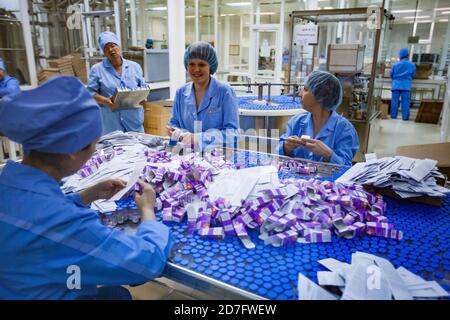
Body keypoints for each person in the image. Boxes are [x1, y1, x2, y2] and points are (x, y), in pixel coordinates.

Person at [0, 76, 173, 300]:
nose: (95, 151)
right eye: (94, 144)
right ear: (72, 150)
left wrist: (85, 195)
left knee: (115, 294)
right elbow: (146, 263)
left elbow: (34, 211)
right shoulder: (66, 224)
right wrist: (148, 212)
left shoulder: (8, 184)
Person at [276, 70, 359, 166]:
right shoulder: (296, 122)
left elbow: (346, 169)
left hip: (327, 181)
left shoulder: (345, 130)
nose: (300, 94)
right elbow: (276, 156)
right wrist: (285, 147)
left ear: (321, 96)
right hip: (295, 180)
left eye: (306, 90)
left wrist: (328, 154)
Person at [168, 41, 239, 150]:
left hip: (219, 158)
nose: (196, 69)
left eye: (201, 64)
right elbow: (174, 123)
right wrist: (176, 133)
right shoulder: (181, 93)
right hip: (186, 156)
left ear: (211, 67)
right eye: (191, 64)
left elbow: (232, 133)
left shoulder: (225, 92)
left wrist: (199, 138)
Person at [87, 31, 146, 134]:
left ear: (118, 46)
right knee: (115, 149)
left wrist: (142, 98)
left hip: (134, 121)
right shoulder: (97, 69)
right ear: (104, 52)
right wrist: (105, 101)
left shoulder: (135, 67)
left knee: (138, 148)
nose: (111, 50)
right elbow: (90, 93)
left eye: (112, 46)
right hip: (111, 124)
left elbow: (143, 87)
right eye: (106, 48)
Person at [390, 48, 416, 120]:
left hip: (396, 85)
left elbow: (391, 75)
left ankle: (393, 116)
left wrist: (396, 79)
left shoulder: (395, 65)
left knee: (394, 101)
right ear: (407, 55)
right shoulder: (412, 64)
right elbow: (413, 74)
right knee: (405, 102)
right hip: (406, 86)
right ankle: (405, 117)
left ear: (400, 55)